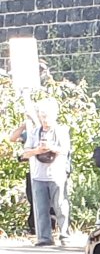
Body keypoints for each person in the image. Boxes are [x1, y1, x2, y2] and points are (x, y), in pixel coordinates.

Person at [20, 97, 71, 246]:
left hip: (57, 175)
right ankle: (44, 238)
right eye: (42, 116)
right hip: (38, 176)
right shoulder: (34, 132)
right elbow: (25, 153)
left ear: (54, 115)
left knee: (60, 206)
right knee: (40, 209)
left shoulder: (61, 131)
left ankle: (64, 235)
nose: (44, 120)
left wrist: (50, 148)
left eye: (47, 116)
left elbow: (65, 150)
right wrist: (37, 150)